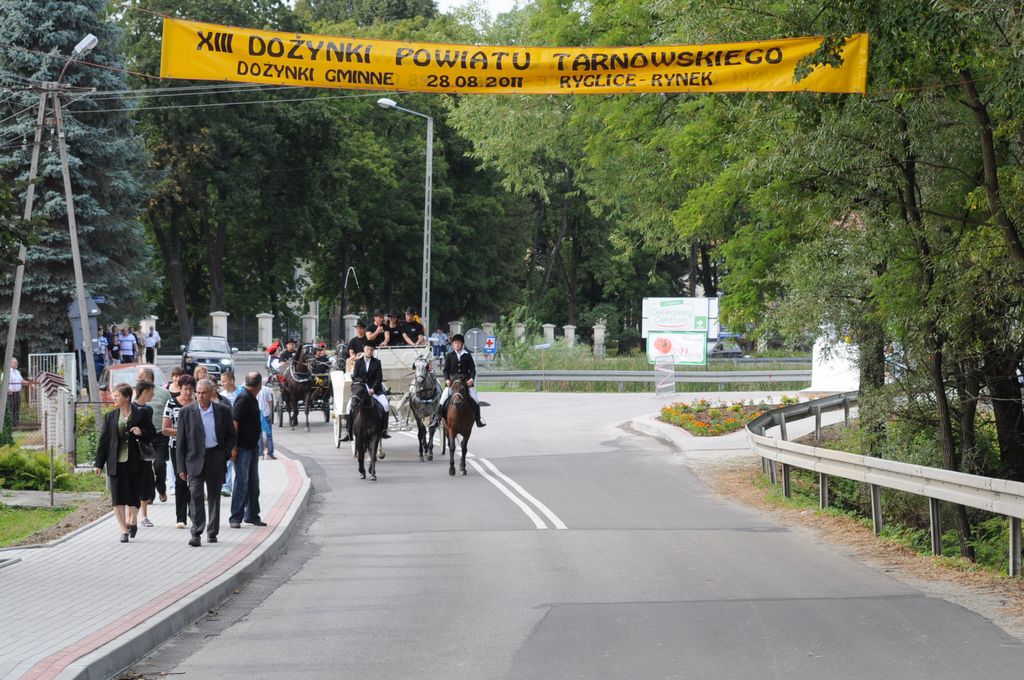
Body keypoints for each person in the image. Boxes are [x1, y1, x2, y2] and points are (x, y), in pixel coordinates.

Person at [176, 378, 237, 547]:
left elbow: (231, 436)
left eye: (203, 393)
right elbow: (181, 441)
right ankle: (196, 533)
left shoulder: (223, 410)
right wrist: (181, 467)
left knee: (214, 497)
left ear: (211, 393)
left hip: (215, 457)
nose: (200, 396)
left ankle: (212, 531)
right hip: (194, 460)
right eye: (198, 392)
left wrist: (224, 454)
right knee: (195, 495)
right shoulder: (186, 412)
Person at [93, 383, 156, 543]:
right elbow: (104, 441)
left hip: (135, 462)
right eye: (114, 395)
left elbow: (152, 433)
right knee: (117, 497)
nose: (114, 398)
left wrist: (141, 432)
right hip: (116, 462)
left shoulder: (141, 414)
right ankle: (123, 530)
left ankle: (133, 519)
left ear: (127, 397)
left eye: (117, 396)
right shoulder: (110, 416)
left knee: (134, 495)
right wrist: (98, 463)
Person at [230, 372, 267, 529]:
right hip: (242, 448)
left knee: (253, 483)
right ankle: (235, 517)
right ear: (259, 386)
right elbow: (234, 423)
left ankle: (252, 515)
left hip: (252, 447)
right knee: (241, 483)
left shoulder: (250, 397)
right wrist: (233, 447)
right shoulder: (243, 398)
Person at [340, 342, 390, 441]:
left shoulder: (377, 362)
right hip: (361, 389)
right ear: (364, 350)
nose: (369, 351)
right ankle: (349, 432)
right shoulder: (358, 362)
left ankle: (384, 430)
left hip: (375, 390)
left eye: (371, 350)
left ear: (373, 351)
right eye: (367, 349)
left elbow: (379, 378)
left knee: (386, 405)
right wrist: (363, 384)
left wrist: (373, 389)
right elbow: (355, 376)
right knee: (349, 407)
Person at [163, 374, 195, 528]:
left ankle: (193, 513)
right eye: (185, 389)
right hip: (177, 447)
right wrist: (183, 433)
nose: (188, 392)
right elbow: (165, 429)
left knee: (194, 481)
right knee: (181, 480)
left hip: (195, 448)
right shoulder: (171, 403)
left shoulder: (197, 403)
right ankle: (180, 517)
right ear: (180, 388)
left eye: (190, 389)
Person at [435, 333, 486, 428]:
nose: (457, 345)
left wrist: (471, 379)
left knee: (475, 399)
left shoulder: (467, 355)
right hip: (452, 383)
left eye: (458, 343)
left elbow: (472, 369)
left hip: (466, 383)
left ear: (462, 344)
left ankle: (478, 420)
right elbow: (445, 370)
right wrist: (447, 379)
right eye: (455, 343)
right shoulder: (449, 355)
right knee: (442, 400)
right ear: (453, 345)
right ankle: (437, 420)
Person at [138, 366, 171, 504]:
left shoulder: (163, 393)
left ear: (149, 378)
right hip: (145, 436)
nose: (137, 379)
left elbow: (170, 410)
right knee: (147, 468)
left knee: (159, 464)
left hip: (160, 434)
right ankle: (149, 495)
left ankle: (161, 489)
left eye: (140, 377)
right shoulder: (137, 393)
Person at [133, 380, 158, 528]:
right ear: (145, 391)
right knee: (132, 483)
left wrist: (141, 432)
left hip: (144, 452)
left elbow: (151, 431)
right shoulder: (130, 407)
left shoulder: (148, 410)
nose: (153, 395)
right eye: (151, 392)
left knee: (146, 483)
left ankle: (144, 515)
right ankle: (130, 516)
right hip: (132, 453)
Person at [218, 371, 243, 497]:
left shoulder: (240, 394)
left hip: (240, 431)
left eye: (224, 381)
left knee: (240, 460)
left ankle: (241, 486)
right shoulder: (222, 396)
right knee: (227, 459)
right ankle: (227, 486)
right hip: (227, 431)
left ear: (232, 381)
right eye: (221, 381)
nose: (222, 383)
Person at [256, 377, 276, 460]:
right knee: (269, 434)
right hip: (266, 414)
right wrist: (269, 411)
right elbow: (270, 402)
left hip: (257, 414)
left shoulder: (253, 390)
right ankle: (270, 454)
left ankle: (260, 454)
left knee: (259, 435)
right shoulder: (267, 389)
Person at [7, 358, 23, 428]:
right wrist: (8, 389)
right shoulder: (7, 372)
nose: (17, 363)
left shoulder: (17, 372)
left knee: (17, 409)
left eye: (17, 362)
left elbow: (21, 380)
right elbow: (3, 382)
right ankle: (11, 425)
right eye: (15, 362)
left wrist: (30, 384)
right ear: (10, 364)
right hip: (10, 393)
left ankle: (16, 425)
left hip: (17, 393)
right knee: (11, 409)